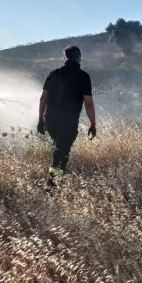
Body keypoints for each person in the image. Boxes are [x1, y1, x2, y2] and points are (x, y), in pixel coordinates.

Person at [37, 45, 96, 186]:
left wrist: (40, 119)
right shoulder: (83, 76)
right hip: (68, 120)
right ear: (79, 57)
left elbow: (43, 98)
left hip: (50, 118)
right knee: (61, 153)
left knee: (59, 149)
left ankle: (58, 177)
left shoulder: (53, 73)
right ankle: (52, 186)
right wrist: (93, 124)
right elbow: (88, 103)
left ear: (65, 57)